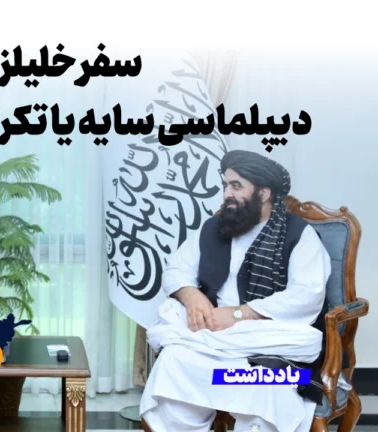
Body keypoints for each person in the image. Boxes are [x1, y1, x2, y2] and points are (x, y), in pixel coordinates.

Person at [140, 150, 335, 432]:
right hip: (212, 340)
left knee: (268, 385)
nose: (226, 194)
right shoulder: (214, 228)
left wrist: (239, 314)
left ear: (264, 193)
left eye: (236, 186)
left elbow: (307, 295)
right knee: (172, 362)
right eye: (225, 185)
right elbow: (176, 270)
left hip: (268, 342)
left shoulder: (299, 234)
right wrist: (192, 296)